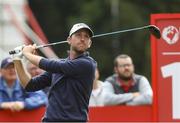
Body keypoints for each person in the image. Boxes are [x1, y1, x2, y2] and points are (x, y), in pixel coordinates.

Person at [13, 23, 97, 122]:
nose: (82, 39)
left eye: (86, 36)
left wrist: (27, 53)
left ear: (89, 43)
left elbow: (49, 64)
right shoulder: (59, 66)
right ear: (69, 40)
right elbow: (30, 85)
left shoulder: (87, 64)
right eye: (78, 35)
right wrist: (17, 59)